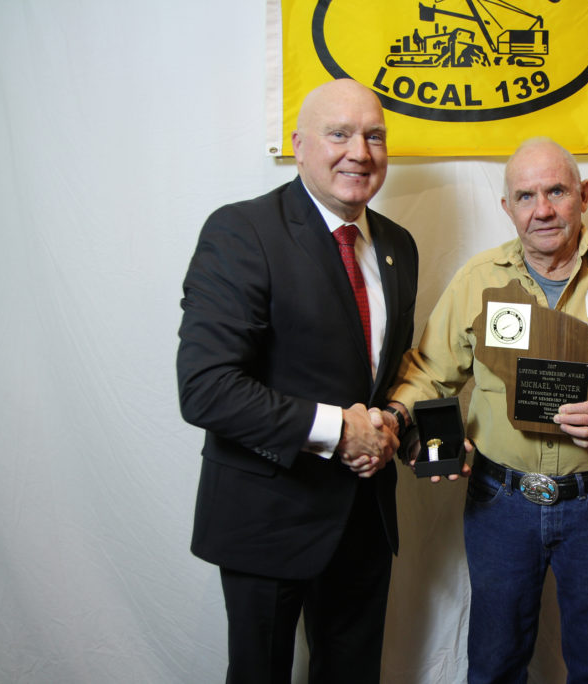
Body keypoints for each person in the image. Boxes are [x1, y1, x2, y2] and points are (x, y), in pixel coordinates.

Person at [388, 137, 588, 683]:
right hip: (499, 502)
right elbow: (427, 372)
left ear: (583, 195)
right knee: (494, 665)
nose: (542, 209)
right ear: (506, 207)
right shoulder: (477, 279)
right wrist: (395, 422)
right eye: (526, 195)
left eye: (556, 191)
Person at [176, 79, 418, 684]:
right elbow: (206, 387)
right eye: (339, 134)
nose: (359, 152)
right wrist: (341, 430)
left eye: (374, 136)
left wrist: (400, 428)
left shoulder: (398, 246)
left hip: (364, 517)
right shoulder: (242, 232)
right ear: (299, 145)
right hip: (267, 517)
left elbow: (384, 375)